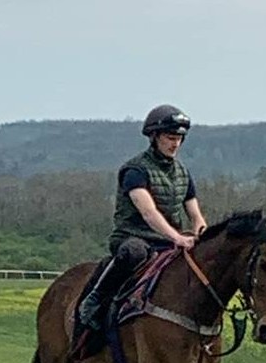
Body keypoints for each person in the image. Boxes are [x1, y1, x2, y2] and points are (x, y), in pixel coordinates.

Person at [78, 104, 208, 330]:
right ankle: (95, 300)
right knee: (133, 253)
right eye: (169, 137)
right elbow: (149, 213)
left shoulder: (183, 173)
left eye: (179, 138)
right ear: (155, 137)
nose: (175, 143)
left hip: (168, 240)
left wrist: (201, 234)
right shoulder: (135, 170)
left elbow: (195, 215)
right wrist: (177, 238)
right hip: (133, 237)